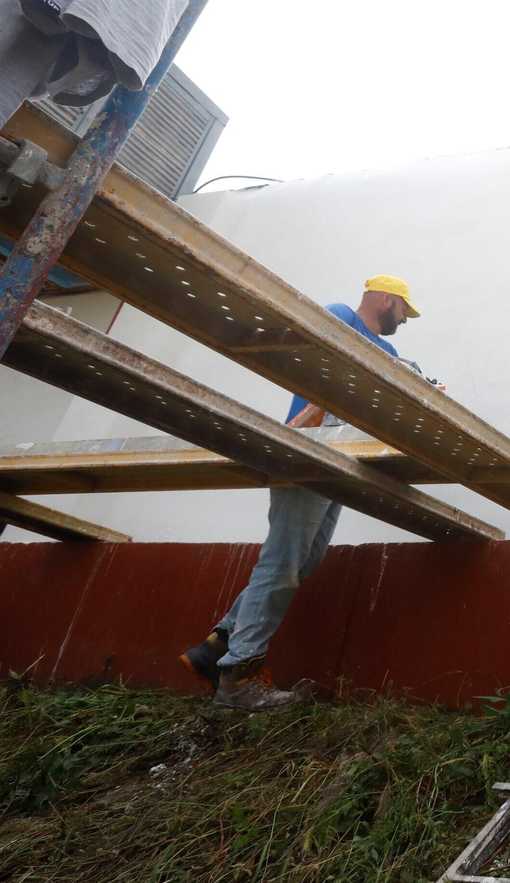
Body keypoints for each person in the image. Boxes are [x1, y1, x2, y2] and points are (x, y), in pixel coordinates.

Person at [179, 275, 423, 712]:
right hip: (307, 451)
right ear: (386, 299)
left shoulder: (387, 353)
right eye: (404, 310)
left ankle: (214, 649)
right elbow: (323, 355)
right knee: (283, 562)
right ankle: (238, 675)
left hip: (341, 462)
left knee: (302, 561)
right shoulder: (342, 317)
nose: (405, 321)